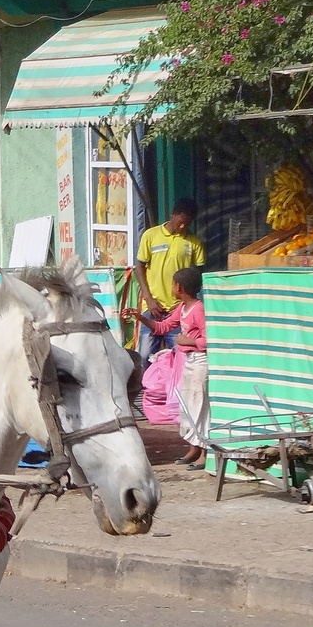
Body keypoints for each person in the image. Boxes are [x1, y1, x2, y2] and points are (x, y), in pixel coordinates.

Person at [129, 266, 209, 469]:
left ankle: (204, 452)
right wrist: (141, 318)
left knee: (200, 407)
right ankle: (194, 447)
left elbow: (209, 341)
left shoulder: (198, 309)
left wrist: (187, 341)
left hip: (200, 363)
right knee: (187, 405)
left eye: (173, 284)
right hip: (188, 363)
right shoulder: (182, 308)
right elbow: (162, 327)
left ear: (179, 287)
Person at [133, 198, 205, 358]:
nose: (182, 227)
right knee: (145, 356)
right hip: (152, 307)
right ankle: (147, 383)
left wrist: (184, 303)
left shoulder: (194, 242)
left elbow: (198, 274)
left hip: (178, 311)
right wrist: (149, 299)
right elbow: (139, 268)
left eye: (187, 224)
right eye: (180, 222)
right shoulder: (150, 235)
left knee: (180, 356)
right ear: (172, 215)